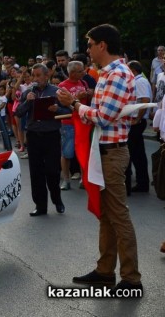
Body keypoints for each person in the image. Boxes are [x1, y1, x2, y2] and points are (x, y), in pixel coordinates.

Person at [57, 24, 142, 292]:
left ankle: (131, 279)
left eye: (90, 44)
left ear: (102, 45)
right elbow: (104, 111)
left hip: (111, 152)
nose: (88, 49)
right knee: (107, 215)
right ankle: (106, 271)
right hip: (104, 151)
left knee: (118, 216)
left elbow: (103, 118)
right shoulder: (108, 73)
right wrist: (86, 100)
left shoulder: (116, 74)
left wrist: (74, 104)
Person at [16, 63, 69, 216]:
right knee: (36, 172)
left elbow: (68, 111)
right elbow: (18, 112)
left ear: (47, 76)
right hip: (33, 136)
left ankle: (57, 200)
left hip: (51, 135)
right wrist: (28, 102)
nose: (36, 79)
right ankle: (40, 206)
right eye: (34, 75)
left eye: (39, 75)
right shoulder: (28, 92)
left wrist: (57, 109)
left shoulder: (56, 91)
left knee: (52, 171)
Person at [57, 61, 91, 190]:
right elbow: (61, 105)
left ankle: (84, 179)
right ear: (71, 73)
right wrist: (76, 96)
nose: (83, 73)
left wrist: (88, 94)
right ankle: (66, 179)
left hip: (83, 122)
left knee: (83, 151)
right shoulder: (62, 86)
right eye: (80, 71)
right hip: (68, 124)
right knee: (67, 152)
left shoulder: (84, 83)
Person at [125, 60, 151, 194]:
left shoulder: (139, 82)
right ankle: (142, 183)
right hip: (136, 121)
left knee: (129, 153)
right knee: (137, 154)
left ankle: (128, 186)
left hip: (137, 122)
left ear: (133, 71)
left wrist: (137, 119)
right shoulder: (138, 80)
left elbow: (144, 101)